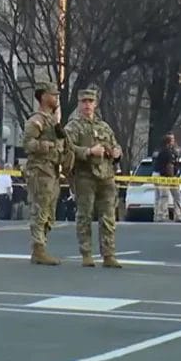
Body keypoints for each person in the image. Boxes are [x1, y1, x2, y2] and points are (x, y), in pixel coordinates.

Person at [64, 87, 123, 268]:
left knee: (108, 216)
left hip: (106, 176)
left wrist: (117, 152)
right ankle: (86, 253)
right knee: (85, 215)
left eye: (90, 101)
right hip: (85, 176)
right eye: (84, 102)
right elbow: (67, 149)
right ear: (79, 104)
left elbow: (115, 145)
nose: (87, 105)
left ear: (95, 104)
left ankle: (109, 254)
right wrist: (88, 151)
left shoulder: (104, 126)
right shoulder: (73, 127)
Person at [22, 81, 67, 265]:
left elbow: (62, 139)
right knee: (40, 209)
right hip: (40, 170)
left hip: (53, 170)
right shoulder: (37, 120)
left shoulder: (52, 120)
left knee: (49, 211)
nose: (56, 98)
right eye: (53, 94)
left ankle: (42, 245)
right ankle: (38, 249)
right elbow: (27, 144)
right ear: (43, 96)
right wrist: (43, 146)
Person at [153, 133, 181, 223]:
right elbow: (169, 166)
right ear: (168, 142)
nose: (174, 142)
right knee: (164, 196)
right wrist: (173, 177)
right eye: (172, 140)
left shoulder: (168, 151)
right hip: (166, 177)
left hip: (163, 176)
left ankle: (175, 216)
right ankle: (162, 215)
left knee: (171, 196)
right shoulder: (167, 152)